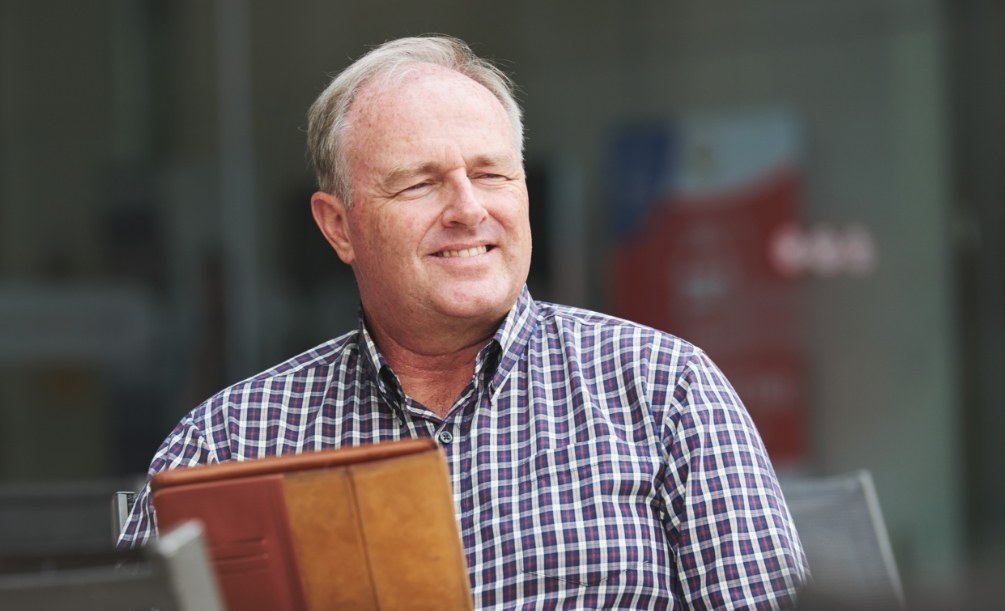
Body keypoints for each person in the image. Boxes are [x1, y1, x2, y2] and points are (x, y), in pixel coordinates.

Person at [118, 35, 809, 608]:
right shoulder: (225, 444)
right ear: (338, 227)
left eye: (492, 175)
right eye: (420, 182)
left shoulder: (663, 392)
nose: (467, 209)